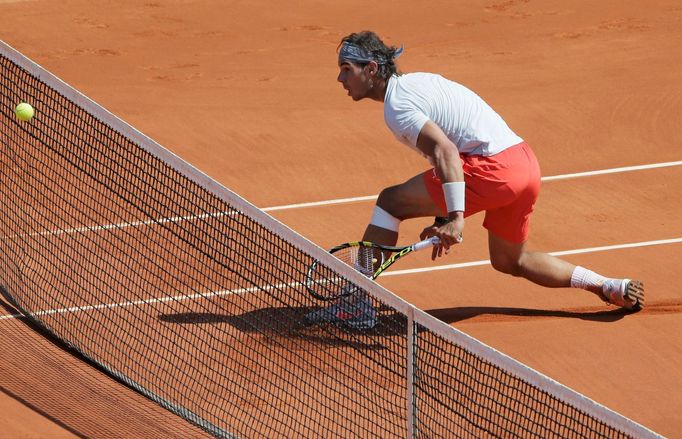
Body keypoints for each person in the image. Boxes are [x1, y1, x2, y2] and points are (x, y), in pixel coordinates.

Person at [305, 31, 644, 330]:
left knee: (390, 202)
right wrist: (444, 217)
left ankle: (358, 304)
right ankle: (607, 285)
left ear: (371, 69)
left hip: (492, 169)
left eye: (346, 69)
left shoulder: (398, 107)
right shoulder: (418, 84)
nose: (340, 78)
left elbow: (447, 153)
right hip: (524, 165)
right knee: (511, 261)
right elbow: (449, 156)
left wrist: (454, 220)